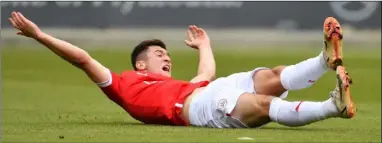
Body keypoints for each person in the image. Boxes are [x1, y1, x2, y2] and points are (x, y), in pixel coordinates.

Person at [8, 11, 356, 128]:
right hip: (198, 110)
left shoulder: (178, 83)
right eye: (160, 53)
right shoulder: (123, 84)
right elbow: (83, 58)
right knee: (261, 105)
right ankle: (331, 108)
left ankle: (323, 61)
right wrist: (39, 36)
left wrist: (205, 46)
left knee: (272, 75)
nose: (168, 57)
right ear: (141, 63)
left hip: (210, 90)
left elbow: (204, 75)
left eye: (167, 54)